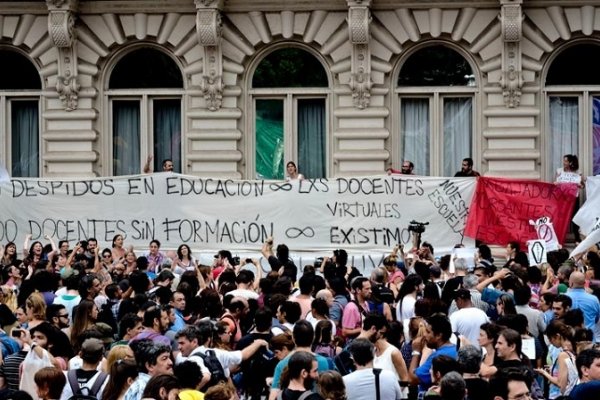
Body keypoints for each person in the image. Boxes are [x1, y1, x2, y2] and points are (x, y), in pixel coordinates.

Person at [408, 313, 458, 393]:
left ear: (438, 335)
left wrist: (416, 352)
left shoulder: (438, 356)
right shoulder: (457, 349)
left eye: (428, 332)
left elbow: (412, 379)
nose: (424, 335)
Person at [566, 271, 600, 340]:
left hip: (569, 339)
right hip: (589, 340)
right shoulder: (594, 299)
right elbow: (597, 319)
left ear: (571, 283)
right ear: (584, 283)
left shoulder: (563, 298)